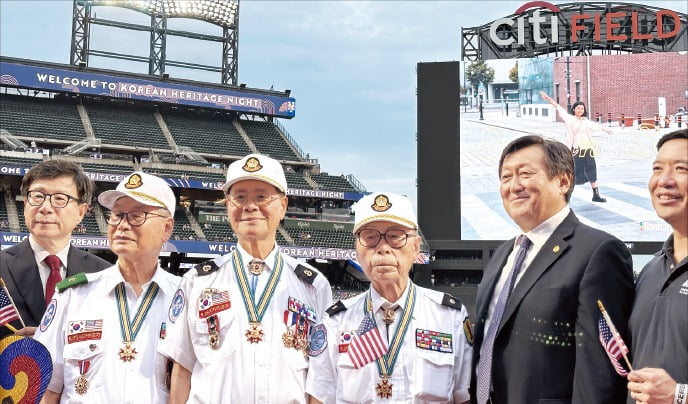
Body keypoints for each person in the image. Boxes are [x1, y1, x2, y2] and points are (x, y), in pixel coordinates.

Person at [470, 135, 634, 403]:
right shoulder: (502, 255)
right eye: (506, 177)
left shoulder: (598, 252)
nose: (514, 186)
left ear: (564, 181)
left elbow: (599, 371)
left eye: (525, 174)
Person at [159, 153, 332, 403]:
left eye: (261, 196)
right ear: (228, 205)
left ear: (282, 205)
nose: (250, 206)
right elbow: (183, 367)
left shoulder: (314, 285)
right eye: (239, 197)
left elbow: (321, 377)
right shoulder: (197, 281)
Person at [307, 192, 472, 403]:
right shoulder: (335, 321)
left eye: (395, 236)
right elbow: (319, 397)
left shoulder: (450, 316)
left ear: (415, 247)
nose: (383, 248)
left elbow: (465, 397)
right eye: (370, 237)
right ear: (357, 249)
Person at [34, 171, 180, 403]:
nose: (122, 225)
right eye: (117, 215)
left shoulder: (185, 298)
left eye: (137, 216)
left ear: (166, 228)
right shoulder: (73, 295)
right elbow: (48, 388)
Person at [0, 159, 110, 338]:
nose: (45, 207)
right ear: (26, 203)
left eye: (60, 198)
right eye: (37, 196)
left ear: (81, 212)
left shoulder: (104, 275)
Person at [627, 129, 687, 404]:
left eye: (681, 169)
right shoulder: (651, 270)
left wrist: (679, 395)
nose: (664, 181)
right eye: (657, 168)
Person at [540, 91, 614, 202]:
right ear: (574, 109)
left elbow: (596, 126)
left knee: (592, 171)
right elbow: (559, 108)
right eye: (578, 108)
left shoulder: (585, 121)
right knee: (573, 173)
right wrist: (548, 99)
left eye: (582, 108)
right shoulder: (569, 119)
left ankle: (596, 195)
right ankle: (565, 197)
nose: (580, 110)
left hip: (588, 150)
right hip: (576, 150)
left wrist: (606, 130)